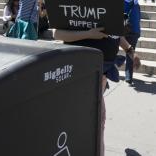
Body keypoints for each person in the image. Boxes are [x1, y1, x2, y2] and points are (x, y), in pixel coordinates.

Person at [53, 28, 138, 156]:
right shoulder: (75, 10)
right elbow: (57, 33)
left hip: (102, 72)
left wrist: (130, 51)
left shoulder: (109, 10)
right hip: (80, 73)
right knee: (92, 120)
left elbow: (115, 34)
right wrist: (88, 34)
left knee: (99, 120)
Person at [124, 0, 141, 84]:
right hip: (134, 30)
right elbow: (138, 17)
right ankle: (128, 77)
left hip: (120, 30)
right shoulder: (135, 1)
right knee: (130, 52)